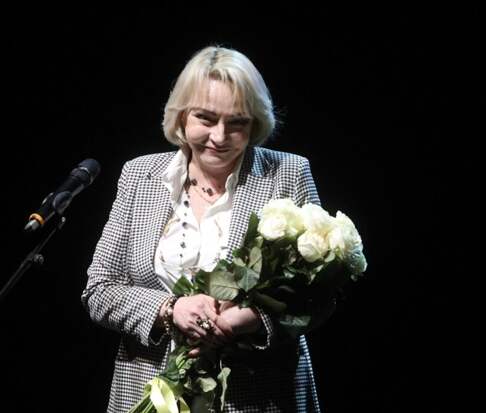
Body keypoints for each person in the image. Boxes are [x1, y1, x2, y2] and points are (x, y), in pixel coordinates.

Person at [82, 45, 322, 413]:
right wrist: (169, 309)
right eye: (206, 119)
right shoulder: (139, 175)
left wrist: (253, 321)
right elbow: (99, 289)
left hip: (260, 395)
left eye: (237, 122)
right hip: (148, 391)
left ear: (255, 122)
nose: (220, 136)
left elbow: (319, 293)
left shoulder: (287, 174)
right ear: (181, 117)